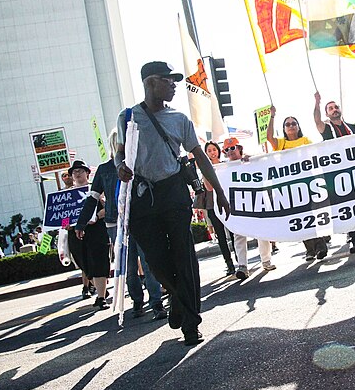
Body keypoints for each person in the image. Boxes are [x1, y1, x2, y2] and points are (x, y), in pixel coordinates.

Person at [116, 61, 230, 346]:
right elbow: (118, 154)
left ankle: (191, 324)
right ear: (151, 82)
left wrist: (218, 191)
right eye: (168, 80)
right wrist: (120, 167)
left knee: (184, 257)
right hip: (143, 198)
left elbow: (201, 157)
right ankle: (178, 299)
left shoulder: (179, 119)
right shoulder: (128, 116)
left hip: (173, 193)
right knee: (156, 261)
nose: (174, 85)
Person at [78, 130, 167, 320]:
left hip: (140, 219)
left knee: (148, 262)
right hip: (116, 223)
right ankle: (137, 301)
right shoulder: (104, 170)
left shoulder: (139, 163)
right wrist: (81, 223)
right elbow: (92, 199)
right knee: (127, 267)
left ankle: (156, 302)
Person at [313, 91, 355, 254]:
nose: (334, 110)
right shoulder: (327, 129)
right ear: (327, 113)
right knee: (349, 207)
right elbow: (316, 120)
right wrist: (317, 104)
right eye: (330, 108)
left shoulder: (353, 127)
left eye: (336, 107)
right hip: (340, 175)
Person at [267, 105, 329, 260]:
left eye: (293, 123)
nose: (291, 126)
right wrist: (272, 116)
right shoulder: (280, 144)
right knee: (300, 217)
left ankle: (321, 246)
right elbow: (269, 137)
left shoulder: (306, 140)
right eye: (287, 124)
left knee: (313, 214)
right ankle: (309, 249)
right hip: (291, 186)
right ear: (284, 128)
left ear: (298, 126)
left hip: (308, 183)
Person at [223, 138, 275, 279]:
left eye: (232, 148)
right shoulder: (224, 168)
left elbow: (264, 164)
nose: (230, 152)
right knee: (238, 235)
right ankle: (242, 266)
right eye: (227, 150)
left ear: (239, 148)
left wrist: (251, 159)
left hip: (254, 201)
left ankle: (266, 260)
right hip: (236, 204)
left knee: (261, 231)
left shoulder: (249, 160)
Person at [67, 160, 111, 310]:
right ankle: (100, 289)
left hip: (96, 230)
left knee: (99, 262)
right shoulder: (68, 195)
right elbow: (64, 217)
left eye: (80, 170)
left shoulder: (97, 189)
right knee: (84, 264)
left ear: (87, 173)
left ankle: (101, 297)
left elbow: (110, 207)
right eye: (74, 171)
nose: (77, 173)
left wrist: (97, 215)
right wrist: (66, 224)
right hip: (76, 234)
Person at [197, 141, 236, 276]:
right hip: (213, 206)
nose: (212, 152)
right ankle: (229, 264)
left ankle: (239, 260)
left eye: (214, 149)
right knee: (221, 236)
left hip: (228, 203)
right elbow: (209, 188)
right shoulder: (205, 169)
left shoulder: (226, 164)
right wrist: (205, 172)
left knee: (233, 233)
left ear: (219, 151)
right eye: (209, 151)